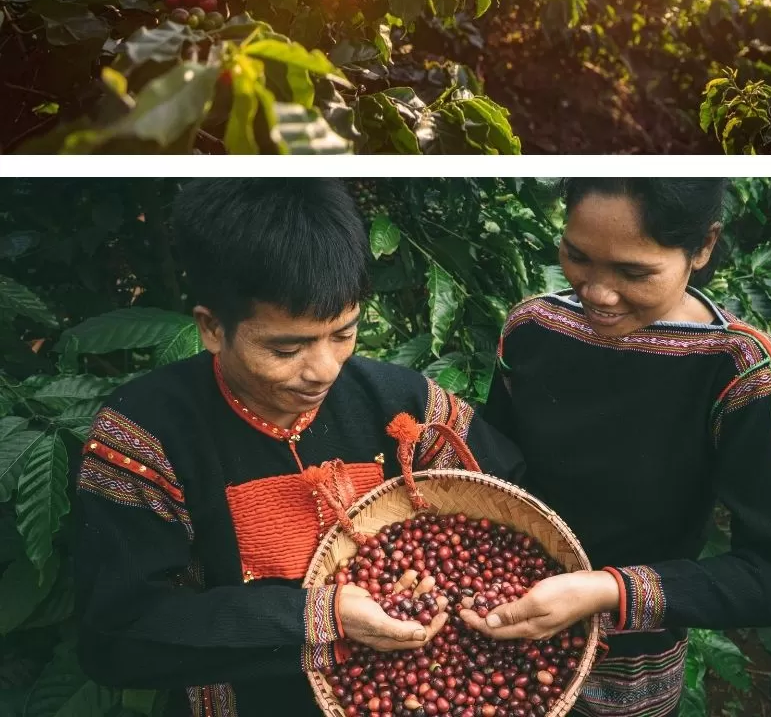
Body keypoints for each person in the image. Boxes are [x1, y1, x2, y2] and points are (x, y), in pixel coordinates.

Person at [75, 179, 523, 714]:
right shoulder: (146, 436)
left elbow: (510, 508)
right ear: (213, 328)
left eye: (344, 334)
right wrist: (318, 616)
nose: (324, 370)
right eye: (287, 349)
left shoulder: (402, 405)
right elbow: (118, 636)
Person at [466, 178, 771, 717]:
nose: (598, 294)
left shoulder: (740, 372)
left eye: (634, 273)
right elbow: (497, 480)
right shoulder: (532, 329)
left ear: (703, 247)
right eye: (577, 257)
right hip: (495, 622)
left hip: (629, 662)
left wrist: (608, 591)